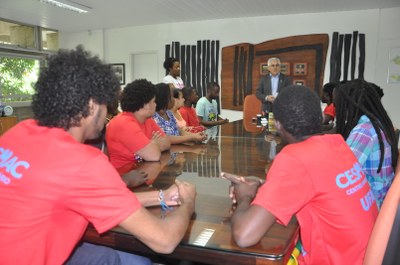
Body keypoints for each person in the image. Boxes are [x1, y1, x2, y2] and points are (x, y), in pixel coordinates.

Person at [0, 46, 196, 265]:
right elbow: (165, 241)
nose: (106, 114)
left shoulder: (19, 131)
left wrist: (161, 196)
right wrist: (187, 202)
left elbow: (92, 197)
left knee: (128, 259)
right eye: (106, 104)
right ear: (93, 105)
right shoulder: (82, 163)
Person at [221, 85, 378, 265]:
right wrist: (263, 186)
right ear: (319, 117)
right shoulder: (336, 144)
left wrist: (244, 197)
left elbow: (244, 235)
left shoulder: (295, 158)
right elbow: (315, 185)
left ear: (278, 124)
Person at [334, 79, 398, 208]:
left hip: (371, 203)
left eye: (339, 105)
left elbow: (341, 170)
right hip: (380, 197)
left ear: (349, 105)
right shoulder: (377, 123)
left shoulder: (364, 131)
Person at [106, 79, 171, 170]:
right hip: (123, 177)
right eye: (154, 101)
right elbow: (153, 155)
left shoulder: (147, 119)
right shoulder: (124, 123)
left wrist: (152, 145)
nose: (156, 105)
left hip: (142, 171)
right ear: (146, 105)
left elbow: (166, 142)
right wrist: (153, 143)